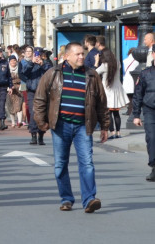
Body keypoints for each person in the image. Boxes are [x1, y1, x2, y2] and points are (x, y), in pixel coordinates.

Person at [33, 41, 108, 212]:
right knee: (60, 164)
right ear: (67, 56)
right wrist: (41, 122)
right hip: (61, 126)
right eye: (78, 54)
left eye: (82, 53)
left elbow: (101, 102)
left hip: (83, 125)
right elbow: (40, 99)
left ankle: (89, 199)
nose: (82, 56)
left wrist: (105, 126)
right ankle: (66, 199)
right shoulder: (53, 74)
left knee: (87, 163)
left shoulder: (91, 75)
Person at [20, 45, 52, 145]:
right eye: (36, 54)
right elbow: (24, 73)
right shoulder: (29, 63)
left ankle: (41, 135)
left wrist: (42, 64)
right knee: (33, 113)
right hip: (32, 91)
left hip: (43, 92)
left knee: (42, 114)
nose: (37, 56)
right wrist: (31, 63)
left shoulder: (47, 63)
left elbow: (51, 72)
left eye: (39, 54)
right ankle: (33, 135)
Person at [131, 55, 155, 181]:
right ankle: (154, 166)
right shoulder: (145, 73)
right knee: (151, 137)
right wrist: (136, 115)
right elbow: (138, 94)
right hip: (150, 110)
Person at [95, 49, 128, 139]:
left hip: (107, 91)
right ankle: (118, 132)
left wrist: (96, 62)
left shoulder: (104, 65)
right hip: (117, 90)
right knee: (116, 113)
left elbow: (95, 72)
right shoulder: (117, 63)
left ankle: (112, 133)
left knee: (108, 113)